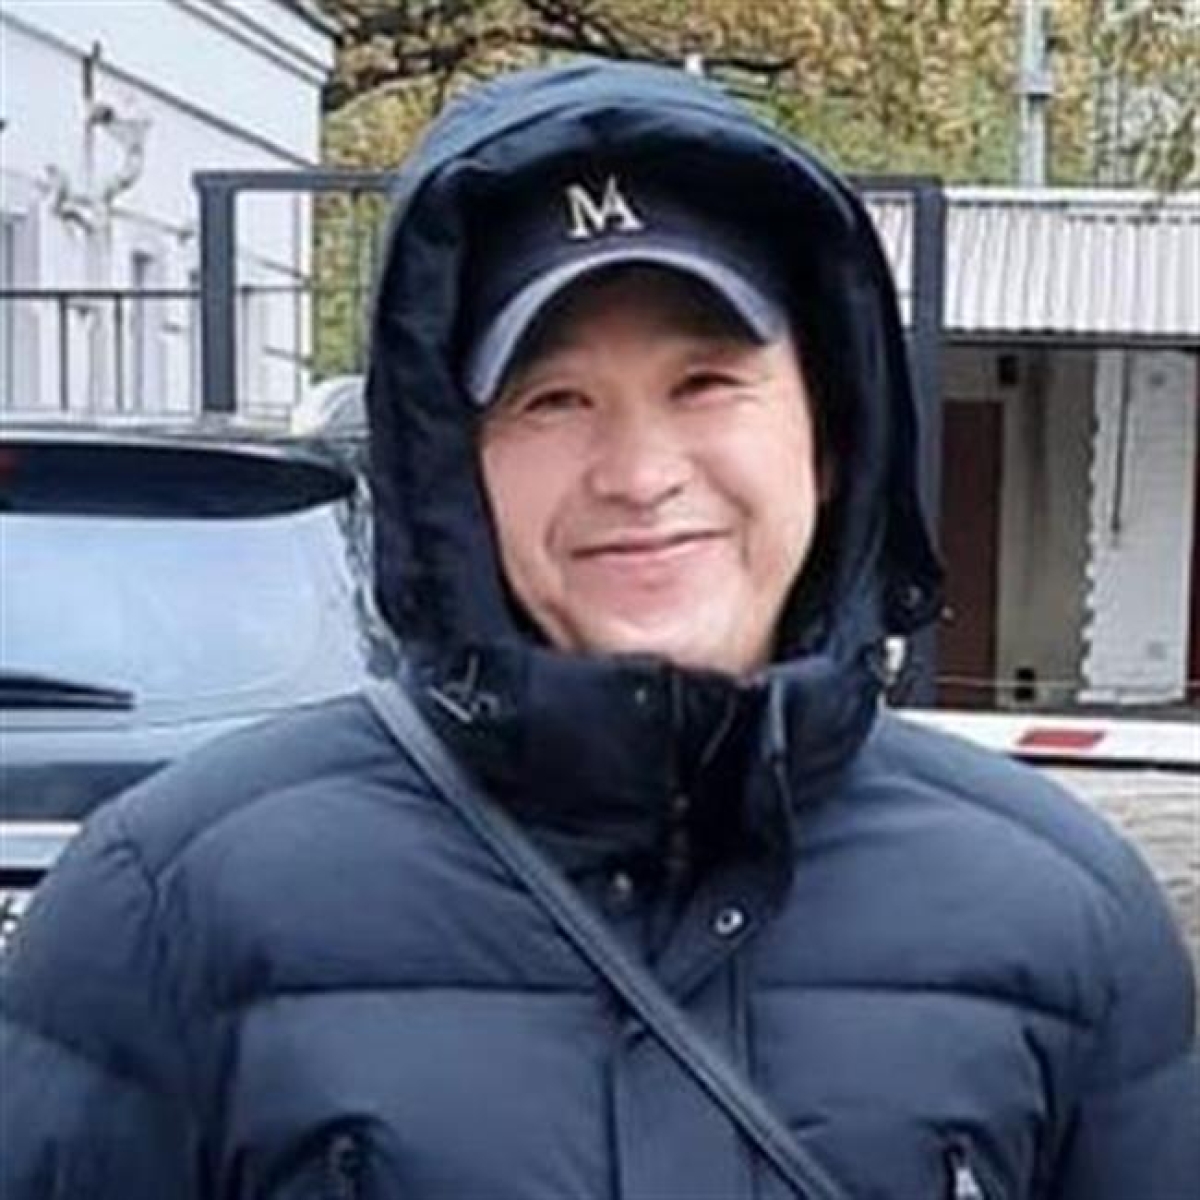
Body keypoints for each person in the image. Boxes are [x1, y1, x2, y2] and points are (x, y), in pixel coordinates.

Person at [2, 59, 1197, 1200]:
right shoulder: (166, 909)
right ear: (454, 469)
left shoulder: (1064, 914)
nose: (638, 473)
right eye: (553, 399)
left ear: (829, 434)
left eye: (706, 384)